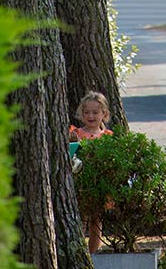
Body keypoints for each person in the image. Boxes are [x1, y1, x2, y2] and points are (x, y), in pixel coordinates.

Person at [69, 91, 113, 253]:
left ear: (104, 114)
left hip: (99, 185)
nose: (91, 116)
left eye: (95, 112)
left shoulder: (107, 137)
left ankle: (93, 254)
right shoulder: (76, 134)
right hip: (80, 184)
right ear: (81, 113)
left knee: (96, 220)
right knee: (80, 219)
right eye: (86, 112)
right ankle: (78, 253)